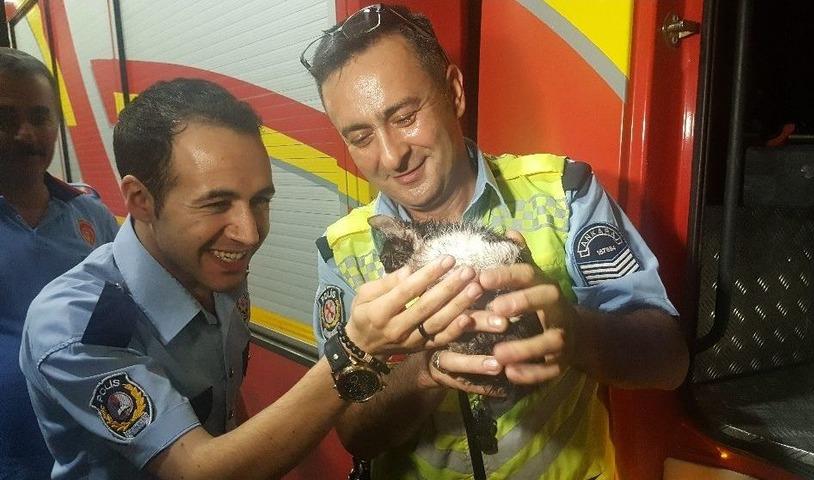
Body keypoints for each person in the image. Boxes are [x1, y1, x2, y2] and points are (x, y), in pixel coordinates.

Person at [19, 78, 495, 479]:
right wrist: (354, 351)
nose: (248, 234)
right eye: (216, 204)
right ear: (140, 199)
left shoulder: (215, 272)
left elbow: (224, 406)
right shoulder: (73, 326)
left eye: (260, 201)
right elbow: (194, 469)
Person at [303, 4, 690, 479]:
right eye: (360, 137)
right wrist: (424, 371)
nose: (391, 155)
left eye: (404, 116)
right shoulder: (343, 252)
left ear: (454, 91)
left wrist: (574, 333)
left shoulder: (563, 193)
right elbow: (354, 435)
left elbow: (669, 361)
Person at [0, 48, 119, 479]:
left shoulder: (91, 216)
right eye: (5, 118)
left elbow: (120, 317)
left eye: (40, 116)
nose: (26, 133)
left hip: (92, 442)